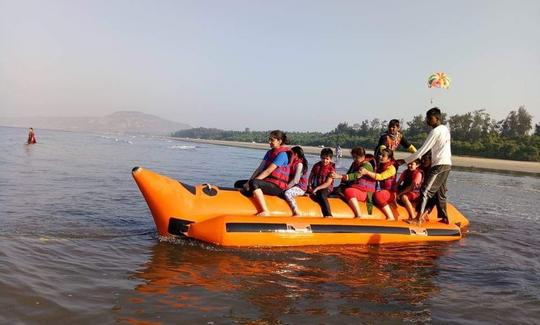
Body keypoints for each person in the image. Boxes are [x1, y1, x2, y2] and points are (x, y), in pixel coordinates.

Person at [397, 107, 452, 224]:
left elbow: (422, 150)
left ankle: (417, 219)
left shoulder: (436, 131)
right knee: (440, 193)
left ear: (437, 118)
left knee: (425, 190)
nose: (427, 121)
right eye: (427, 118)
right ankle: (445, 218)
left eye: (430, 118)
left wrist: (405, 160)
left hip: (440, 164)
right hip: (447, 164)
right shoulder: (445, 129)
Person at [234, 130, 291, 216]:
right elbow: (260, 168)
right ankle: (245, 205)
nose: (269, 142)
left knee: (255, 182)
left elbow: (268, 171)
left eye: (272, 140)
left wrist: (252, 182)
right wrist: (248, 182)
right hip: (268, 183)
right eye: (269, 139)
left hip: (278, 187)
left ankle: (265, 210)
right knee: (239, 183)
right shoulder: (269, 153)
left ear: (280, 141)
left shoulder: (282, 155)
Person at [331, 147, 376, 218]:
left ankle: (359, 215)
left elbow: (356, 175)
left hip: (367, 193)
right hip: (357, 189)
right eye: (353, 157)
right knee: (335, 190)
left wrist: (339, 176)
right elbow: (349, 174)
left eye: (356, 157)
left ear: (363, 156)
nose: (354, 159)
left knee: (349, 191)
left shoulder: (367, 165)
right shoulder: (354, 163)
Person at [359, 148, 398, 221]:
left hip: (390, 193)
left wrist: (367, 172)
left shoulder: (391, 168)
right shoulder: (380, 165)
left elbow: (380, 177)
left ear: (389, 158)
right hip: (383, 191)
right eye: (380, 155)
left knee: (378, 195)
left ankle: (390, 217)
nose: (380, 156)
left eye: (383, 156)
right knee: (371, 194)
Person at [308, 148, 335, 217]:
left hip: (326, 188)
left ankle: (328, 214)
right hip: (315, 186)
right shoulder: (316, 165)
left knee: (322, 195)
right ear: (320, 157)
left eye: (327, 159)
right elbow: (311, 177)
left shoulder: (331, 168)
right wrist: (310, 186)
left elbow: (328, 183)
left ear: (330, 159)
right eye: (323, 158)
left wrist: (317, 188)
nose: (325, 160)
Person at [283, 146, 309, 216]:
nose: (289, 155)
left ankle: (296, 211)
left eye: (291, 153)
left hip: (300, 187)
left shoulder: (300, 164)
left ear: (296, 154)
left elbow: (296, 180)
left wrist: (286, 187)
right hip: (293, 186)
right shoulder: (292, 163)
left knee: (287, 193)